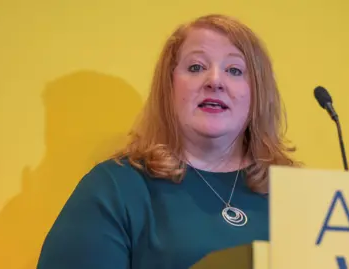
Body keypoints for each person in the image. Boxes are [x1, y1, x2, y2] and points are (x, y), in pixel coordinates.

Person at [36, 13, 300, 269]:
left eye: (234, 69)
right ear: (169, 87)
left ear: (257, 92)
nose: (215, 81)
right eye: (196, 67)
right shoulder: (115, 188)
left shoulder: (299, 193)